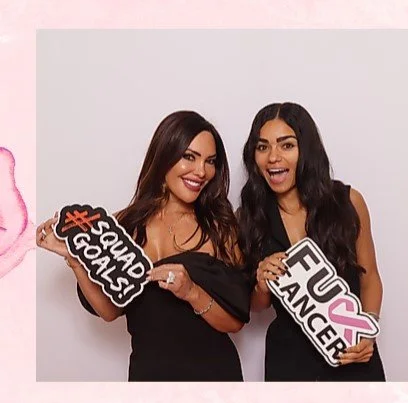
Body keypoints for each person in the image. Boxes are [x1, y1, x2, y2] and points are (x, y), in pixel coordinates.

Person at [36, 110, 251, 382]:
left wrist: (191, 291)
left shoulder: (219, 227)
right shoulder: (121, 225)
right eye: (189, 157)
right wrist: (76, 260)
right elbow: (111, 311)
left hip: (213, 381)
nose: (201, 171)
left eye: (210, 161)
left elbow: (235, 323)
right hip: (147, 379)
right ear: (165, 155)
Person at [237, 102, 385, 381]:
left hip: (352, 356)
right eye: (262, 147)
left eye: (287, 145)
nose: (273, 157)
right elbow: (256, 305)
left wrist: (368, 330)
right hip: (288, 362)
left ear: (306, 149)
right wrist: (261, 284)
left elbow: (370, 278)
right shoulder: (248, 218)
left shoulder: (348, 202)